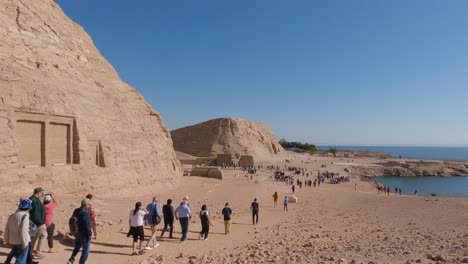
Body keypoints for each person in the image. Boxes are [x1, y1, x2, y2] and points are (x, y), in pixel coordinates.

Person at [4, 198, 33, 264]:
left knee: (18, 258)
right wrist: (24, 243)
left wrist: (6, 240)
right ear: (28, 208)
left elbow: (7, 229)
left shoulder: (11, 216)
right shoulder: (25, 216)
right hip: (21, 242)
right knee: (21, 259)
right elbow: (24, 231)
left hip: (13, 241)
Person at [67, 198, 93, 264]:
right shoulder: (85, 213)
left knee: (77, 246)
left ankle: (71, 260)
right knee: (86, 250)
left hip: (76, 232)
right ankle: (82, 262)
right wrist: (90, 234)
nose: (89, 206)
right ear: (86, 205)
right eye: (89, 205)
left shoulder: (76, 210)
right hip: (84, 234)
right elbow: (86, 225)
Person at [29, 187, 47, 260]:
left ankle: (29, 253)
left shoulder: (32, 199)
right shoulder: (36, 201)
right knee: (43, 235)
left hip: (33, 223)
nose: (43, 194)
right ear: (39, 193)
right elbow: (36, 215)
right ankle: (38, 252)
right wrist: (40, 223)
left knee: (33, 238)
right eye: (42, 193)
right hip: (38, 223)